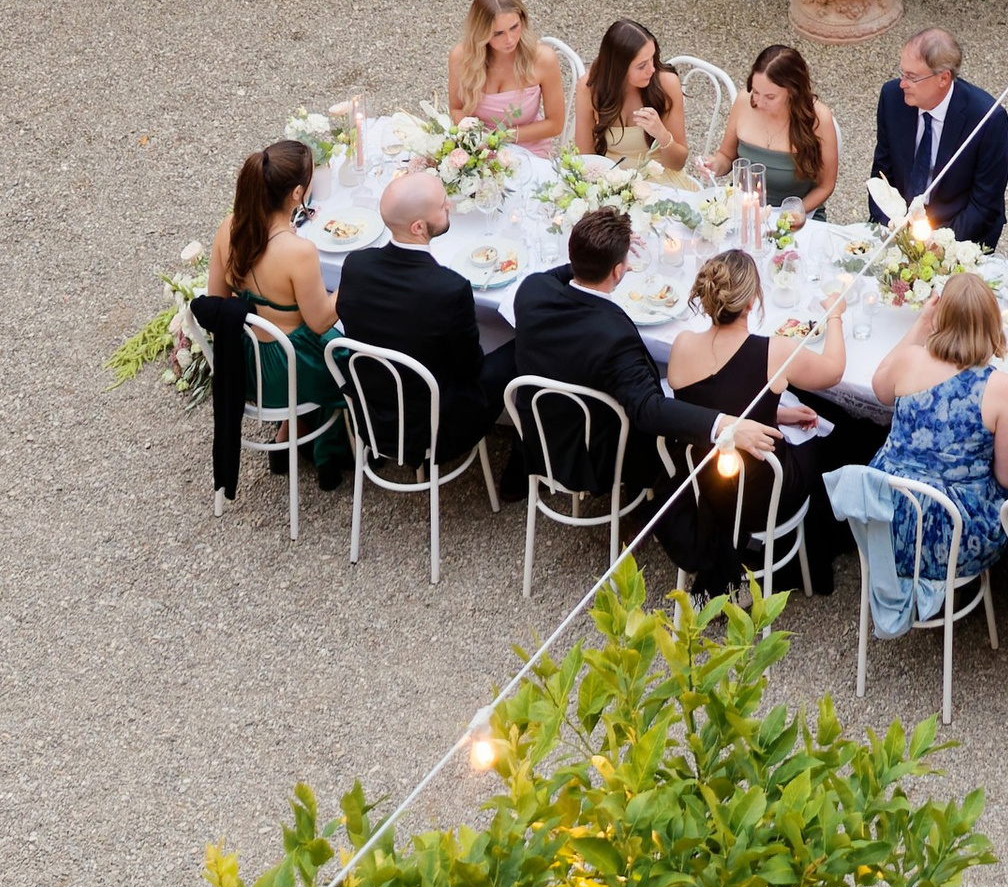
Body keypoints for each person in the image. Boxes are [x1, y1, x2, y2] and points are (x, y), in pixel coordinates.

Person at [490, 206, 776, 499]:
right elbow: (647, 408)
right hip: (592, 457)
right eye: (624, 262)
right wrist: (723, 424)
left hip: (537, 435)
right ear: (617, 270)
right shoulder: (613, 337)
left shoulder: (532, 291)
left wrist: (599, 252)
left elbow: (564, 273)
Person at [663, 248, 854, 596]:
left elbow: (708, 405)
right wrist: (835, 315)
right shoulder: (774, 351)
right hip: (762, 494)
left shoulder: (681, 345)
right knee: (835, 439)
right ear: (751, 302)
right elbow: (834, 371)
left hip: (703, 483)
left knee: (803, 424)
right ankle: (823, 548)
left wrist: (776, 411)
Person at [333, 166, 492, 471]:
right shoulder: (450, 288)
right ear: (419, 227)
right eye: (443, 204)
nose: (450, 206)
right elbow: (470, 367)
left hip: (370, 412)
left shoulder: (355, 265)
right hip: (432, 426)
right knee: (513, 356)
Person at [870, 272, 1008, 585]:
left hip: (885, 520)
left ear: (942, 317)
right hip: (953, 537)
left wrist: (921, 324)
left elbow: (880, 387)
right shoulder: (1001, 387)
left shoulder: (910, 359)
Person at [206, 138, 345, 477]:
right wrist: (352, 282)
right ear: (297, 193)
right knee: (351, 358)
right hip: (288, 371)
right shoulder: (298, 252)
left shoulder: (229, 228)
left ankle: (290, 432)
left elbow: (215, 301)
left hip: (241, 361)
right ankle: (334, 453)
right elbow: (319, 322)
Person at [870, 28, 1008, 249]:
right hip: (900, 227)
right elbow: (882, 173)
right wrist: (889, 225)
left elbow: (984, 204)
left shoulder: (987, 120)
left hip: (957, 233)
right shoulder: (892, 98)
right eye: (902, 73)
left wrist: (937, 244)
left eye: (912, 77)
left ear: (943, 78)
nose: (902, 84)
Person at [714, 45, 839, 222]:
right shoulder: (744, 100)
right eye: (756, 92)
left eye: (770, 97)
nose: (759, 102)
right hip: (742, 210)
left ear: (792, 92)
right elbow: (726, 156)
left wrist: (786, 217)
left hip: (795, 214)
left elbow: (825, 186)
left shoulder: (819, 119)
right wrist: (714, 165)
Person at [445, 0, 565, 150]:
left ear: (522, 19)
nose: (509, 40)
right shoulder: (461, 57)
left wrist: (501, 137)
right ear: (481, 33)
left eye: (514, 27)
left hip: (529, 149)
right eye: (498, 33)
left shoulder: (543, 59)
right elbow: (456, 108)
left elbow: (555, 125)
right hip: (479, 148)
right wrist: (475, 137)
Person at [569, 20, 687, 174]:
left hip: (658, 178)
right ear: (619, 68)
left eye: (652, 58)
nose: (651, 69)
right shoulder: (590, 88)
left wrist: (661, 134)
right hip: (607, 176)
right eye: (641, 66)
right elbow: (585, 156)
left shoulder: (666, 83)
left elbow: (678, 163)